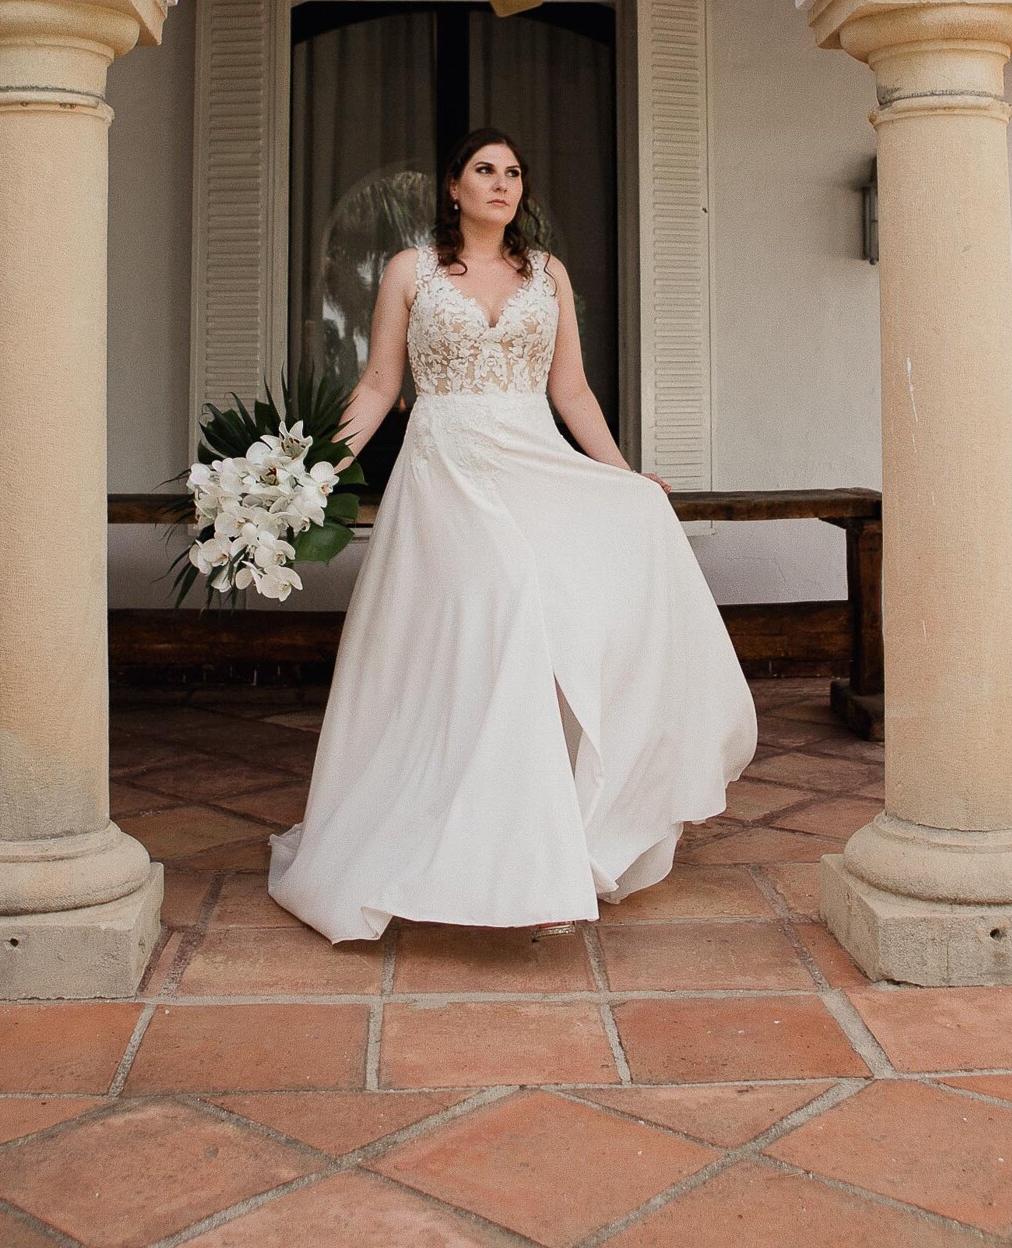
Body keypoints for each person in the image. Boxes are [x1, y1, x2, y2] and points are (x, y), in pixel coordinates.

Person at [268, 127, 757, 942]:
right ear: (453, 188)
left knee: (546, 619)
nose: (501, 184)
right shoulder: (409, 270)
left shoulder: (547, 275)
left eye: (513, 173)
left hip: (533, 458)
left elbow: (571, 390)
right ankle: (456, 837)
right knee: (495, 616)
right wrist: (313, 474)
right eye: (484, 171)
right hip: (445, 471)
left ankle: (538, 841)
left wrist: (624, 476)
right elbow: (381, 385)